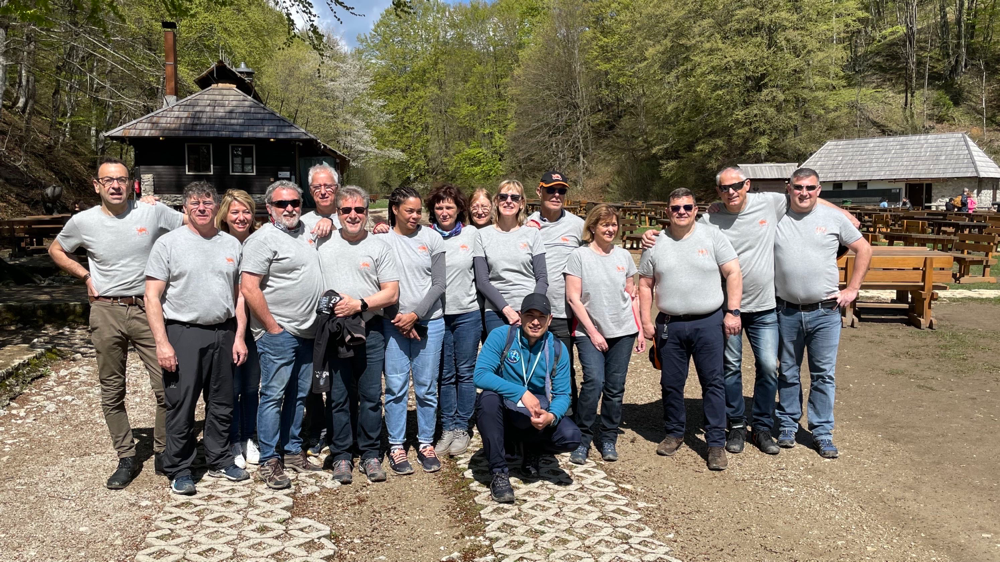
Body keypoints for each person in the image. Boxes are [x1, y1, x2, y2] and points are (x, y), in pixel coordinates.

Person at [48, 157, 185, 490]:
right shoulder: (83, 221)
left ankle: (164, 450)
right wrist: (84, 275)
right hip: (106, 311)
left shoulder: (151, 212)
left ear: (131, 183)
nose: (115, 185)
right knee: (112, 389)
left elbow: (195, 224)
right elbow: (56, 249)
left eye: (121, 179)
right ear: (97, 185)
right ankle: (126, 456)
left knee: (168, 385)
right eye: (108, 180)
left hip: (147, 308)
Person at [144, 182, 249, 495]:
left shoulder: (231, 245)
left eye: (207, 202)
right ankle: (180, 468)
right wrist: (162, 343)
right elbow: (152, 297)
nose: (201, 208)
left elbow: (239, 295)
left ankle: (218, 458)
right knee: (181, 403)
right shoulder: (169, 244)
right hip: (183, 332)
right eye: (194, 203)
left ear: (216, 207)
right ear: (184, 207)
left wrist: (240, 335)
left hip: (224, 331)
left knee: (222, 402)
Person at [638, 188, 742, 471]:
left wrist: (733, 311)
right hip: (670, 323)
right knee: (671, 383)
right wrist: (646, 320)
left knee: (713, 382)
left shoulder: (712, 236)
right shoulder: (655, 243)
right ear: (667, 212)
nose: (681, 212)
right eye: (675, 208)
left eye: (687, 207)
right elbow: (645, 284)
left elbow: (733, 272)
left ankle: (716, 442)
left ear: (696, 209)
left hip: (708, 321)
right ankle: (674, 432)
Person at [773, 168, 872, 459]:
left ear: (819, 189)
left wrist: (852, 289)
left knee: (823, 375)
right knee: (788, 371)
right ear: (789, 188)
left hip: (825, 311)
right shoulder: (777, 216)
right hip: (787, 310)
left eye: (810, 187)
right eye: (799, 187)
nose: (804, 193)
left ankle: (822, 431)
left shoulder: (832, 219)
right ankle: (788, 424)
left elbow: (863, 249)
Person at [240, 180, 325, 490]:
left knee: (299, 394)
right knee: (273, 396)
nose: (289, 208)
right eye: (282, 204)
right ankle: (269, 460)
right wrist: (272, 327)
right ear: (269, 208)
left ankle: (291, 451)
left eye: (294, 203)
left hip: (308, 331)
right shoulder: (262, 240)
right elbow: (249, 287)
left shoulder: (306, 232)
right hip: (279, 332)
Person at [315, 185, 399, 484]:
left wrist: (360, 304)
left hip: (369, 328)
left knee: (370, 395)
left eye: (359, 210)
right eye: (346, 210)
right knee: (338, 396)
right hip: (335, 330)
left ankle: (371, 454)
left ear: (367, 211)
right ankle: (341, 455)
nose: (353, 215)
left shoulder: (379, 246)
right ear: (336, 213)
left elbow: (391, 292)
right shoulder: (321, 241)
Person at [474, 293, 581, 504]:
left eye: (541, 317)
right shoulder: (501, 336)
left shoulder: (557, 348)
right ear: (520, 316)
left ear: (550, 320)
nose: (535, 322)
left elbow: (562, 394)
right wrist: (520, 392)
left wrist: (551, 416)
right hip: (505, 409)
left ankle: (531, 448)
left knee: (571, 437)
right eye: (530, 315)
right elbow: (480, 375)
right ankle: (499, 472)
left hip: (534, 413)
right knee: (487, 400)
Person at [564, 204, 644, 465]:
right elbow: (573, 298)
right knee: (594, 382)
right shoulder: (579, 256)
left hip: (623, 331)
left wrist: (640, 329)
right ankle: (583, 437)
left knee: (614, 388)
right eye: (604, 224)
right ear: (593, 228)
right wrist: (593, 332)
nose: (610, 229)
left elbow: (632, 296)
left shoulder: (624, 257)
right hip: (589, 332)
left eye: (613, 224)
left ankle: (608, 436)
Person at [382, 187, 447, 474]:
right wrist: (400, 318)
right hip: (394, 324)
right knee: (395, 388)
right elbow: (377, 283)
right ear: (395, 209)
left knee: (426, 387)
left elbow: (439, 284)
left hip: (430, 322)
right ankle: (396, 445)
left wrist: (415, 315)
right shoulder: (382, 240)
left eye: (419, 210)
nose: (415, 216)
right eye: (409, 210)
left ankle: (425, 443)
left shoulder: (432, 237)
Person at [424, 184, 482, 457]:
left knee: (465, 372)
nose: (444, 212)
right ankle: (447, 426)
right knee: (444, 374)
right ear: (432, 211)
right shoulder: (425, 235)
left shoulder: (471, 234)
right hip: (436, 315)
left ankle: (462, 427)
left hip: (467, 314)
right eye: (438, 207)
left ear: (460, 209)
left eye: (449, 206)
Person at [526, 171, 585, 407]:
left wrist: (650, 238)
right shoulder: (526, 224)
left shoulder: (578, 226)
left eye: (561, 190)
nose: (556, 195)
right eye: (551, 189)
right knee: (532, 365)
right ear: (539, 191)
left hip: (562, 310)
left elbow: (601, 245)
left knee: (562, 366)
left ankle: (568, 418)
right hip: (532, 310)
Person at [217, 189, 261, 468]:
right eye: (235, 212)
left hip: (257, 324)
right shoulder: (216, 241)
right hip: (226, 324)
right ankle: (232, 439)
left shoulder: (260, 240)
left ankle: (250, 437)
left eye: (246, 211)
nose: (241, 217)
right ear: (225, 214)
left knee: (252, 385)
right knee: (229, 387)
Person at [474, 180, 548, 334]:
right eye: (503, 197)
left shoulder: (532, 234)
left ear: (521, 203)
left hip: (529, 310)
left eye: (514, 198)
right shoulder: (482, 235)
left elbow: (542, 278)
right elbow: (482, 281)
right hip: (496, 311)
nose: (508, 201)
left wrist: (532, 308)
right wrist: (507, 310)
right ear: (496, 201)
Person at [300, 162, 340, 238]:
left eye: (328, 186)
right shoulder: (302, 223)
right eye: (317, 187)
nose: (323, 192)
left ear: (337, 188)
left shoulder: (349, 218)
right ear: (310, 191)